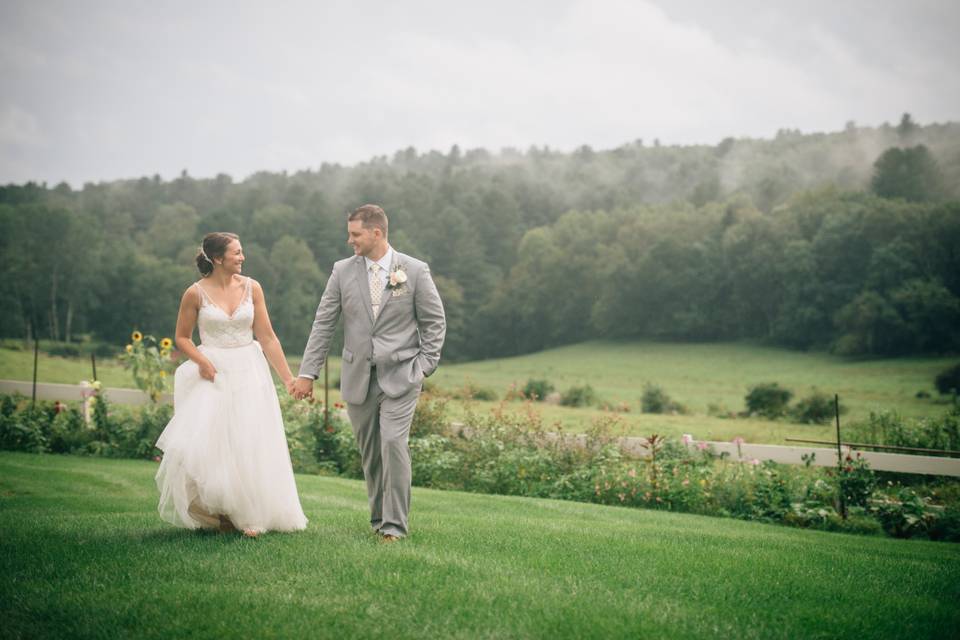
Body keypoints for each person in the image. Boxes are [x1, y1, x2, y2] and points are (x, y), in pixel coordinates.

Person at [292, 204, 445, 542]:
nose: (350, 241)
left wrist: (424, 366)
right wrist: (308, 373)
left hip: (403, 374)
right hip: (358, 375)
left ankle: (395, 526)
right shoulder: (341, 271)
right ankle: (379, 520)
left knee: (393, 442)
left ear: (377, 233)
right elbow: (324, 323)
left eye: (355, 234)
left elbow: (435, 322)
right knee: (371, 452)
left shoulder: (415, 271)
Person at [155, 232, 308, 537]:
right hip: (213, 371)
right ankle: (223, 514)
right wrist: (202, 361)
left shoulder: (253, 288)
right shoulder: (195, 293)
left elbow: (267, 337)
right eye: (237, 253)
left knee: (248, 439)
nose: (242, 257)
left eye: (242, 252)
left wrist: (289, 378)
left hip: (249, 370)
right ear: (217, 259)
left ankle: (251, 514)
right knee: (216, 443)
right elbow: (182, 337)